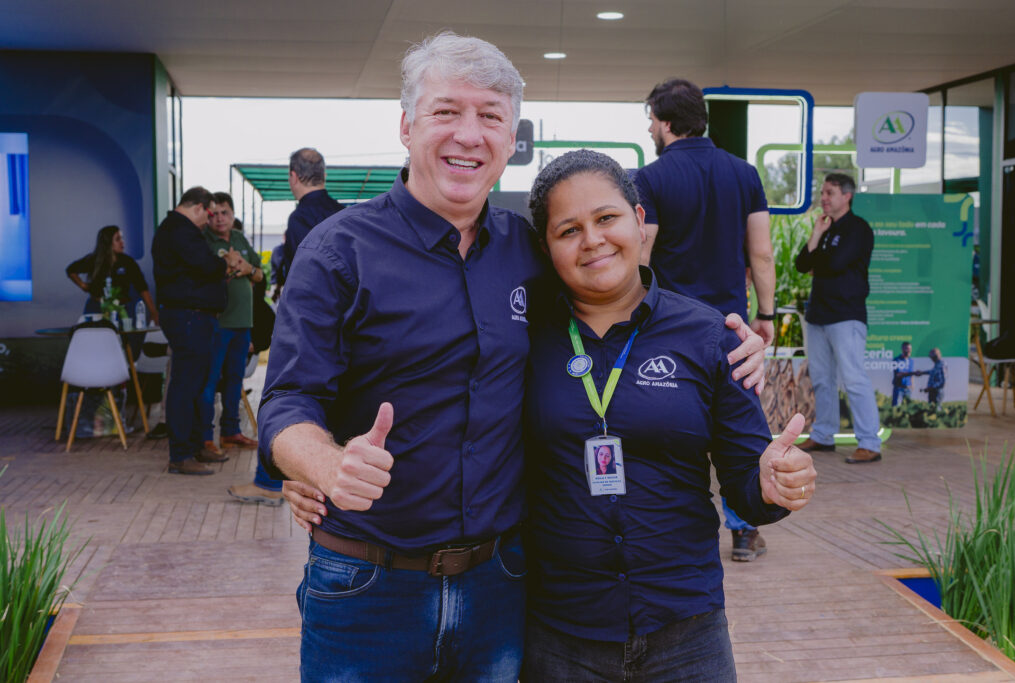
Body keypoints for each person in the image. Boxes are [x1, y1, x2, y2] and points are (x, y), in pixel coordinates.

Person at [261, 34, 768, 681]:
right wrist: (324, 465)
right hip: (368, 586)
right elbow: (287, 401)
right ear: (407, 126)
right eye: (447, 111)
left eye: (490, 116)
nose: (469, 134)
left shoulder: (529, 251)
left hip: (498, 587)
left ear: (509, 139)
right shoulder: (338, 251)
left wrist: (727, 342)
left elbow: (615, 303)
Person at [634, 77, 776, 562]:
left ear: (666, 122)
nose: (650, 128)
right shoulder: (745, 174)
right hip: (732, 329)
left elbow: (641, 257)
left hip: (668, 330)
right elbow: (762, 253)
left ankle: (668, 528)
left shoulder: (651, 178)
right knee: (737, 431)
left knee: (672, 428)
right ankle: (744, 532)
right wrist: (766, 314)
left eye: (651, 120)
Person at [152, 186, 245, 476]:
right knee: (186, 385)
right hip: (188, 317)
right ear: (197, 208)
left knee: (196, 384)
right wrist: (225, 263)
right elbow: (206, 265)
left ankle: (194, 446)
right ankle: (181, 454)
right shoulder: (180, 230)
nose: (210, 220)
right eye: (209, 214)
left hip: (194, 317)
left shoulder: (178, 230)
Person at [795, 172, 882, 465]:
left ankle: (869, 443)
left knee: (854, 379)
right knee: (822, 379)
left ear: (847, 196)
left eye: (829, 193)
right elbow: (801, 265)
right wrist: (816, 235)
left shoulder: (858, 229)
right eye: (822, 193)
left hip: (846, 315)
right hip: (818, 314)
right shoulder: (825, 228)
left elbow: (834, 263)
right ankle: (823, 435)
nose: (823, 198)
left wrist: (816, 261)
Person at [197, 195, 273, 480]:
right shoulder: (204, 241)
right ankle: (206, 438)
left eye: (224, 212)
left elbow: (259, 275)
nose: (219, 218)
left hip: (243, 323)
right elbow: (203, 275)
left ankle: (231, 432)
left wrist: (246, 268)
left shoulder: (239, 237)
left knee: (234, 380)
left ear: (232, 215)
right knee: (209, 382)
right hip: (217, 324)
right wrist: (230, 268)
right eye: (214, 213)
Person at [66, 225, 159, 326]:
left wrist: (153, 312)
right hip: (97, 307)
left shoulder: (128, 262)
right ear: (108, 242)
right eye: (118, 239)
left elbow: (142, 287)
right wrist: (83, 285)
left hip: (120, 309)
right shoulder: (94, 260)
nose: (122, 242)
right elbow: (71, 270)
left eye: (122, 238)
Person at [279, 147, 342, 286]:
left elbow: (298, 275)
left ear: (294, 177)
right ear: (324, 176)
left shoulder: (298, 219)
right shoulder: (343, 213)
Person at [891, 341, 914, 406]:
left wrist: (912, 385)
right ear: (902, 349)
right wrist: (914, 373)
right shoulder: (896, 360)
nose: (909, 351)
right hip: (899, 388)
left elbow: (911, 375)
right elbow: (899, 374)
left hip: (908, 389)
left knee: (908, 407)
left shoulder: (911, 361)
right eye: (907, 349)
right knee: (896, 406)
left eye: (910, 349)